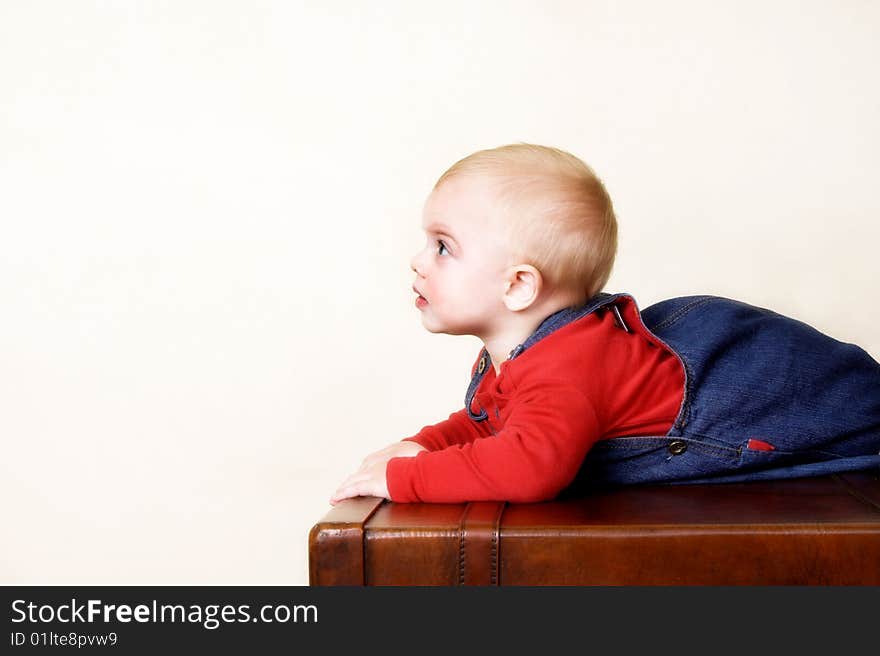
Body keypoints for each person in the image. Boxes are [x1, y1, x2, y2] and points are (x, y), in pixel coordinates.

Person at [329, 143, 880, 505]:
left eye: (444, 246)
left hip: (782, 401)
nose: (418, 260)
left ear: (518, 286)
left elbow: (529, 465)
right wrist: (420, 444)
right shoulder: (519, 355)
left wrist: (406, 480)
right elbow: (490, 423)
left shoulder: (567, 365)